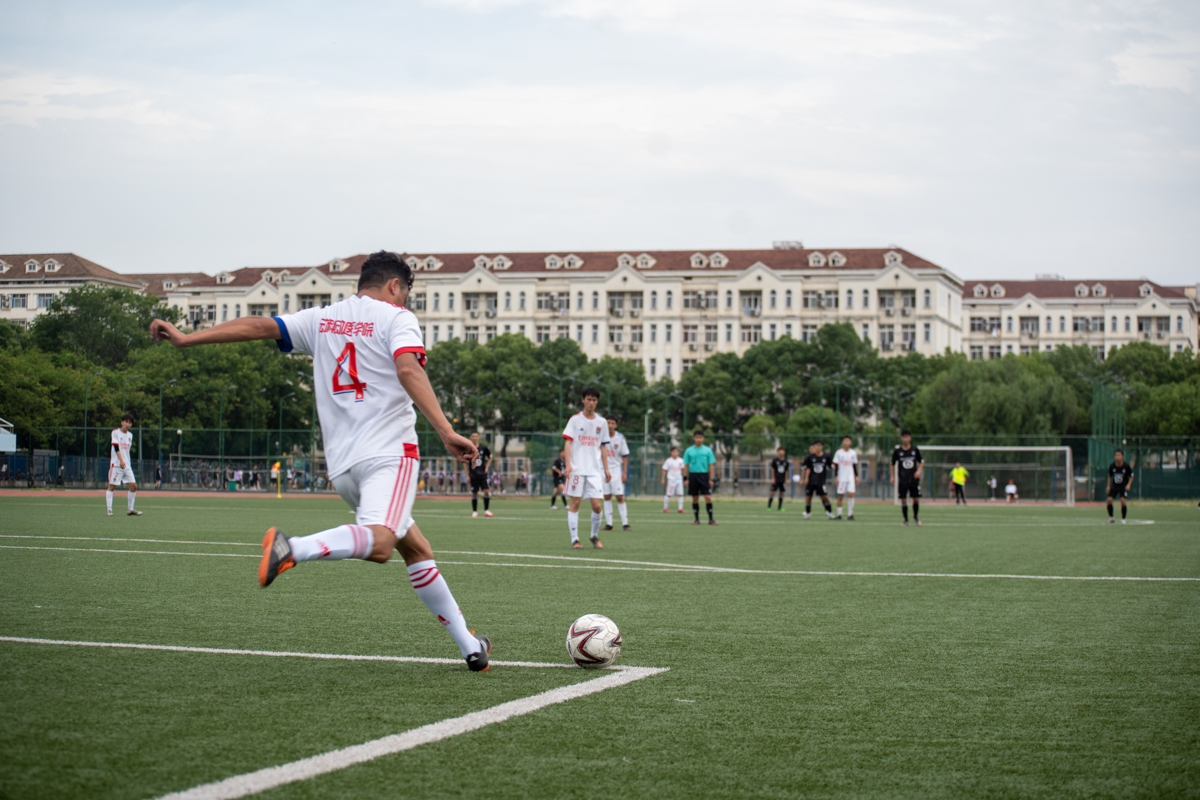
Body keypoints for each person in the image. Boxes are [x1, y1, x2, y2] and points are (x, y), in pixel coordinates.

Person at [149, 250, 491, 672]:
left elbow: (258, 325)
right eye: (405, 295)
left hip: (344, 467)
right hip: (389, 456)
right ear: (395, 287)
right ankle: (293, 548)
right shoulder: (398, 318)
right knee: (382, 545)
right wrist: (445, 430)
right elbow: (408, 370)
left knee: (415, 547)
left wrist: (186, 339)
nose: (405, 303)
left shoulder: (322, 318)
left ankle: (471, 646)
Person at [562, 387, 611, 548]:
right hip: (577, 469)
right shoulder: (575, 420)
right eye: (588, 399)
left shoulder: (601, 422)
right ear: (583, 400)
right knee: (575, 503)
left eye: (594, 400)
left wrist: (606, 469)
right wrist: (568, 465)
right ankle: (574, 539)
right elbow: (568, 442)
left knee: (597, 506)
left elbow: (603, 447)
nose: (591, 403)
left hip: (594, 471)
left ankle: (594, 536)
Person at [106, 413, 142, 516]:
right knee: (111, 486)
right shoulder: (115, 433)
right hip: (117, 464)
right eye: (126, 422)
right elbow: (116, 448)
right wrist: (121, 461)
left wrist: (125, 462)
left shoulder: (130, 435)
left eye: (130, 423)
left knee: (133, 486)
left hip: (127, 466)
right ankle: (109, 510)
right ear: (122, 422)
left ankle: (130, 509)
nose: (128, 424)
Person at [602, 416, 631, 531]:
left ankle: (625, 523)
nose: (610, 425)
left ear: (616, 425)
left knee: (619, 496)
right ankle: (609, 524)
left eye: (612, 423)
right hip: (603, 469)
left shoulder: (620, 438)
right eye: (608, 423)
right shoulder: (600, 436)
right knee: (607, 496)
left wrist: (624, 472)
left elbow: (625, 456)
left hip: (616, 470)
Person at [682, 430, 717, 525]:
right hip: (693, 476)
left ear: (703, 438)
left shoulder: (708, 450)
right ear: (694, 438)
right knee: (695, 498)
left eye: (700, 437)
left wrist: (711, 479)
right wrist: (685, 479)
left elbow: (711, 465)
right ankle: (696, 519)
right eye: (697, 437)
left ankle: (711, 519)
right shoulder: (688, 451)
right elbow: (686, 466)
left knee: (708, 497)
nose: (699, 439)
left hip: (704, 476)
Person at [890, 430, 923, 526]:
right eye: (903, 437)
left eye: (907, 437)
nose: (905, 439)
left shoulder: (914, 450)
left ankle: (916, 517)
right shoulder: (898, 451)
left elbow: (921, 461)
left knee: (916, 499)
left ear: (910, 438)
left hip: (913, 479)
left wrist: (918, 471)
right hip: (903, 480)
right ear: (901, 438)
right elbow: (892, 464)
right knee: (903, 499)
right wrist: (892, 476)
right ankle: (906, 520)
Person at [800, 440, 835, 519]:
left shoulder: (826, 457)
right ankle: (808, 513)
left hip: (821, 481)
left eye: (820, 446)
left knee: (825, 497)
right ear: (814, 447)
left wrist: (834, 467)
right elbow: (808, 468)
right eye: (816, 446)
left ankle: (829, 513)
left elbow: (831, 466)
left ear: (822, 447)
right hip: (811, 481)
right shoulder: (810, 458)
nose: (818, 447)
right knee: (809, 497)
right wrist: (806, 478)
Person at [468, 431, 493, 518]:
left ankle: (486, 510)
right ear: (470, 438)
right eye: (473, 436)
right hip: (473, 474)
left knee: (486, 491)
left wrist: (487, 467)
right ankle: (475, 512)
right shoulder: (468, 448)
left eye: (476, 436)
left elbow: (490, 457)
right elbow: (464, 461)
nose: (475, 438)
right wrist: (466, 474)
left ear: (479, 437)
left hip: (482, 474)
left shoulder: (483, 448)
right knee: (474, 492)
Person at [832, 435, 858, 520]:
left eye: (848, 441)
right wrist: (836, 477)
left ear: (850, 443)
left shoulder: (853, 453)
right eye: (845, 441)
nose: (846, 442)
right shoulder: (838, 453)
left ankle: (850, 514)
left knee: (851, 494)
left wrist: (856, 476)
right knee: (840, 495)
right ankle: (839, 514)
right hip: (841, 477)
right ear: (843, 442)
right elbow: (835, 465)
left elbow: (854, 465)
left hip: (850, 477)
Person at [1106, 449, 1134, 524]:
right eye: (1116, 455)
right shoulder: (1112, 466)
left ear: (1122, 456)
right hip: (1114, 486)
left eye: (1119, 455)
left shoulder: (1126, 466)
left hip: (1123, 487)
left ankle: (1123, 519)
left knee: (1123, 501)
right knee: (1109, 500)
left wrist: (1128, 485)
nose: (1117, 457)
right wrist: (1108, 486)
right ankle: (1111, 517)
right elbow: (1109, 476)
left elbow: (1131, 476)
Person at [661, 446, 686, 513]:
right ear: (671, 453)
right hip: (671, 479)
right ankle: (665, 508)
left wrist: (685, 479)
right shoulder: (668, 461)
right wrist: (663, 479)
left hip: (679, 480)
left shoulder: (681, 460)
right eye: (673, 452)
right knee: (668, 494)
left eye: (676, 451)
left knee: (680, 494)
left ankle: (680, 508)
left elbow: (684, 470)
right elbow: (664, 470)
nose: (675, 453)